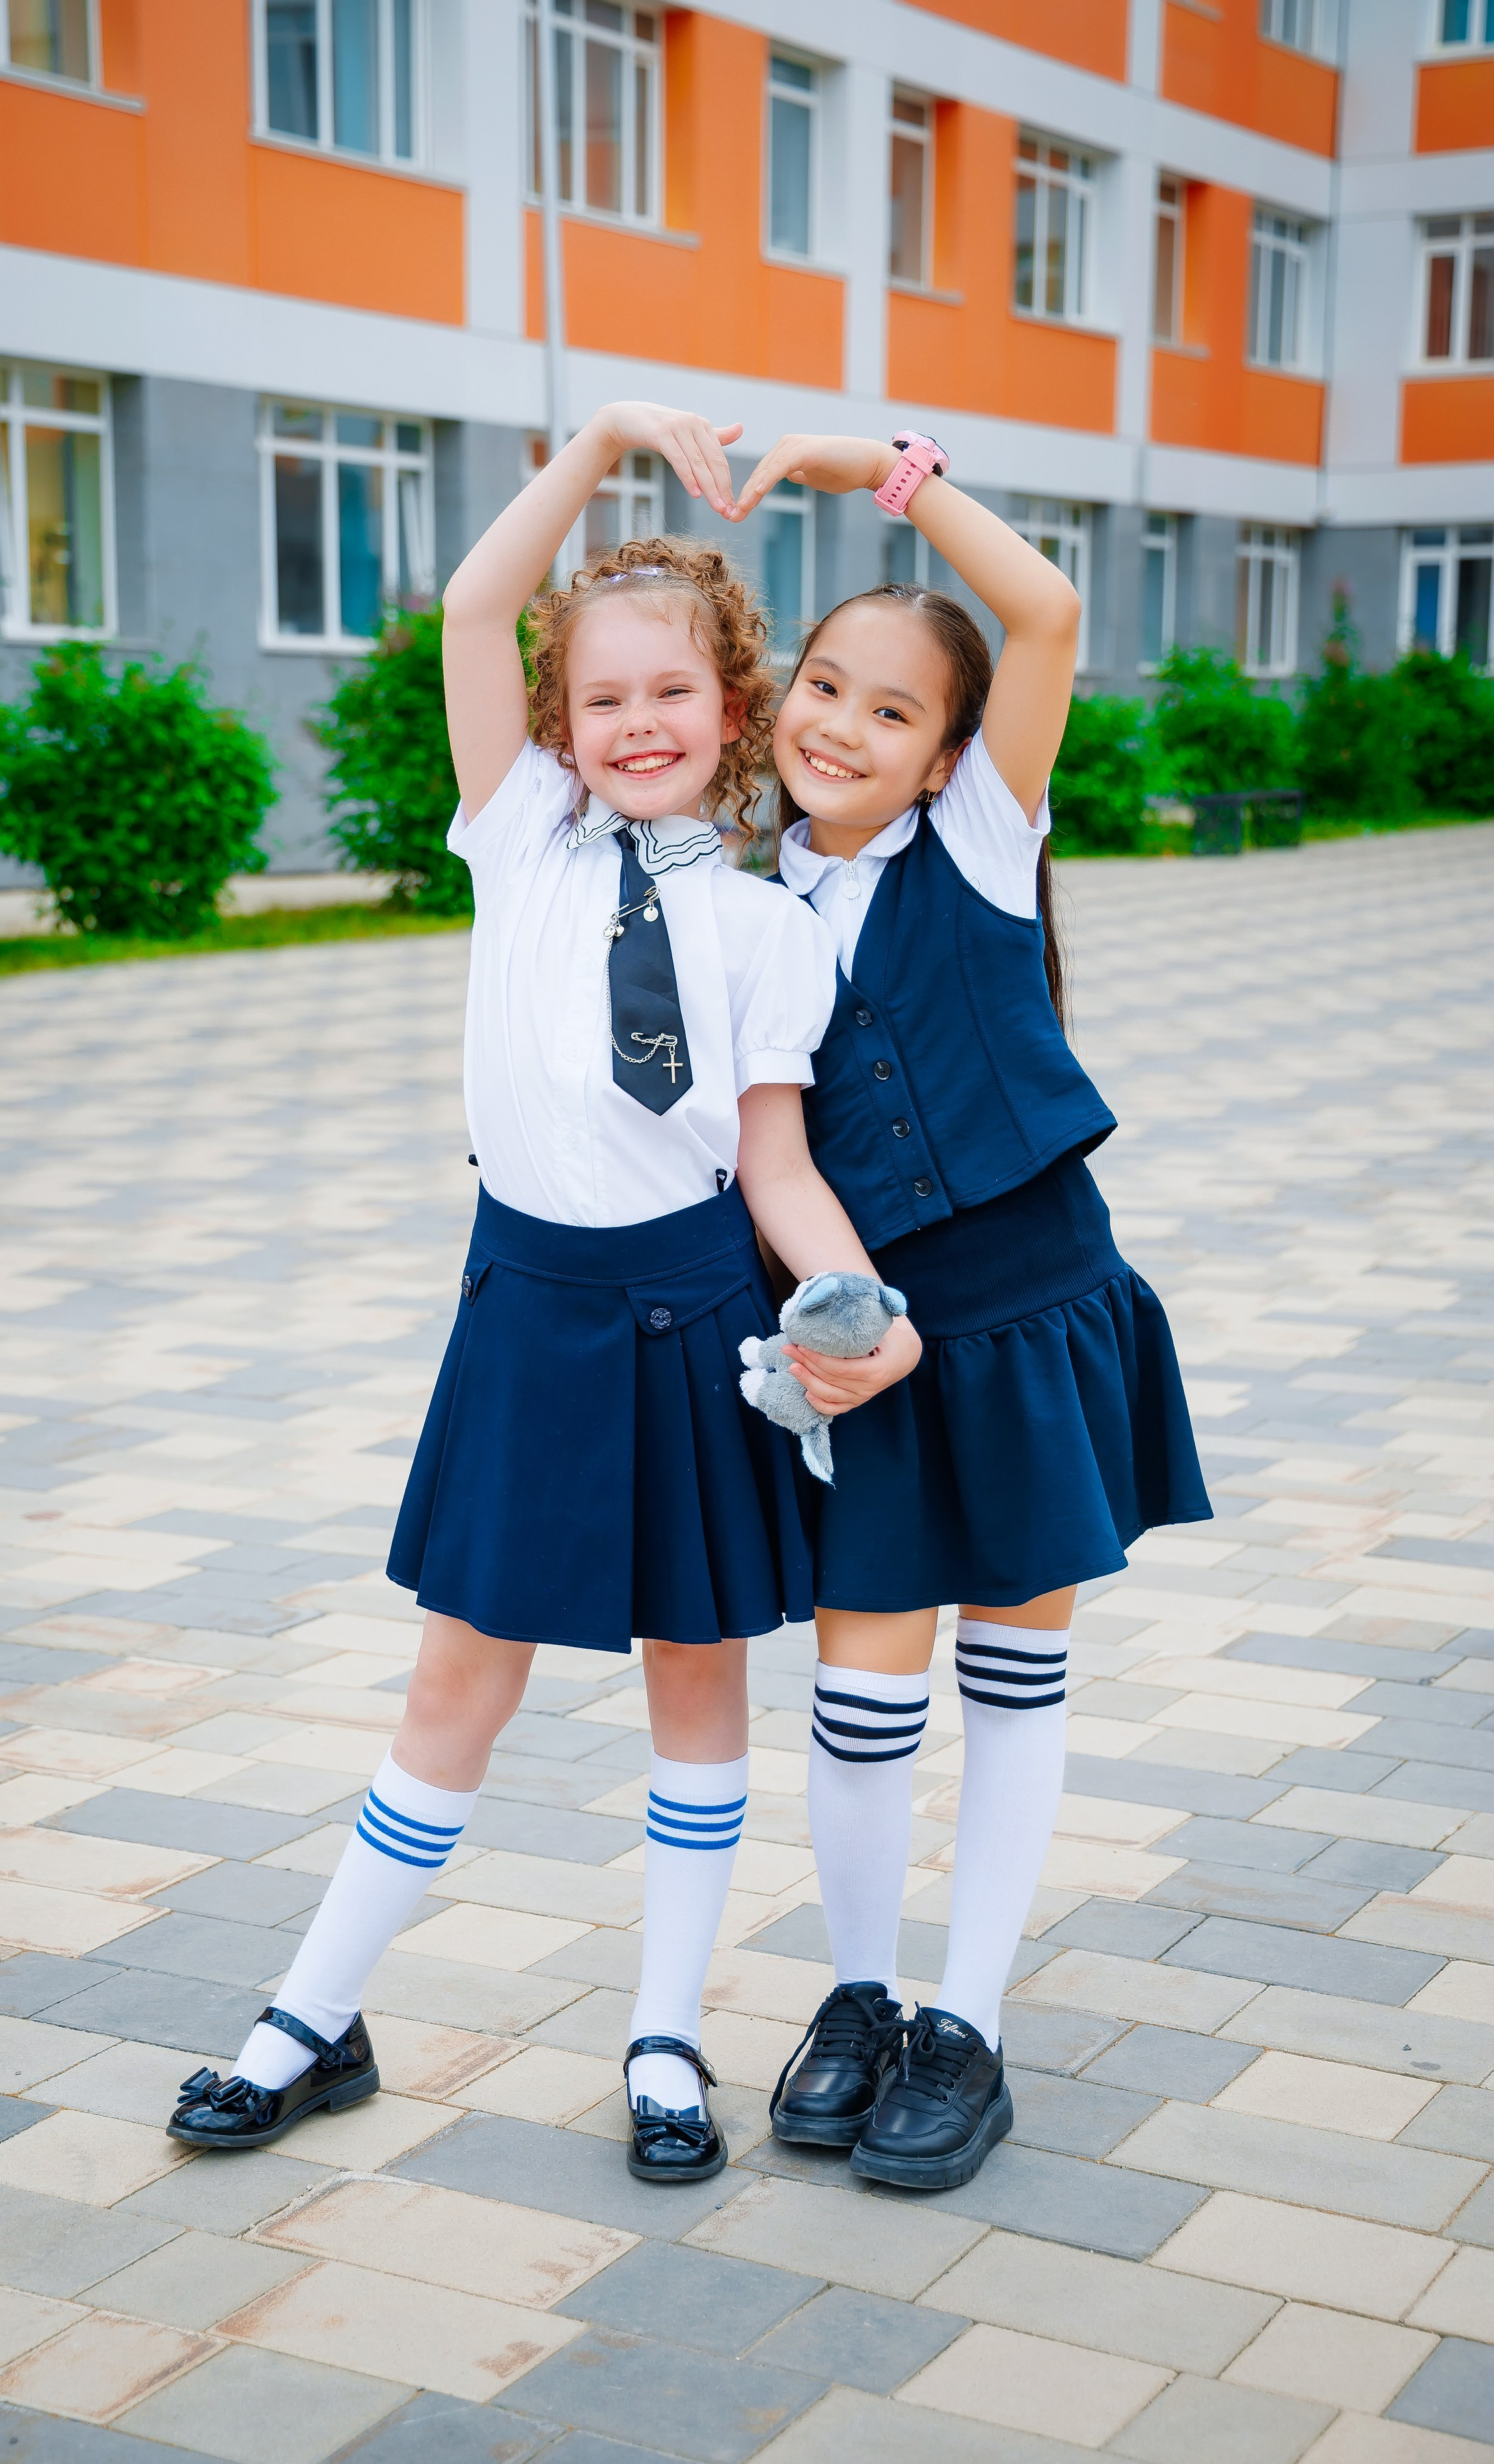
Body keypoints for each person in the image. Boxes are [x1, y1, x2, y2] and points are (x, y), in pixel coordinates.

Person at [167, 404, 919, 2183]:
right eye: (600, 699)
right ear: (559, 729)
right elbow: (471, 610)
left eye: (672, 692)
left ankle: (668, 2035)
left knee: (696, 1675)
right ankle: (313, 2013)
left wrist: (859, 1305)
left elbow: (778, 1169)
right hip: (524, 1309)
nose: (637, 723)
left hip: (686, 1317)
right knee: (457, 1683)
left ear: (731, 713)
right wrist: (594, 450)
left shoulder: (767, 932)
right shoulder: (518, 839)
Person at [741, 433, 1212, 2192]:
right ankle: (858, 2001)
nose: (841, 726)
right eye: (822, 687)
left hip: (1028, 1317)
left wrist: (891, 472)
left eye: (890, 712)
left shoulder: (983, 846)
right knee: (861, 1703)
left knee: (1015, 1681)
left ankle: (969, 2026)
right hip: (859, 1357)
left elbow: (1049, 607)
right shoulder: (736, 896)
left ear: (949, 753)